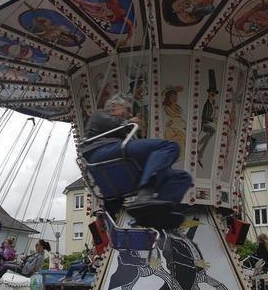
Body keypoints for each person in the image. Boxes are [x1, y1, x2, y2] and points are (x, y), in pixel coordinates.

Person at [81, 94, 192, 222]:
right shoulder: (100, 115)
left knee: (182, 177)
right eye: (127, 110)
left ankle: (159, 210)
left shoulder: (120, 133)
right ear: (113, 107)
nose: (129, 114)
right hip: (102, 152)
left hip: (118, 167)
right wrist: (131, 122)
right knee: (169, 146)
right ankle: (146, 192)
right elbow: (117, 124)